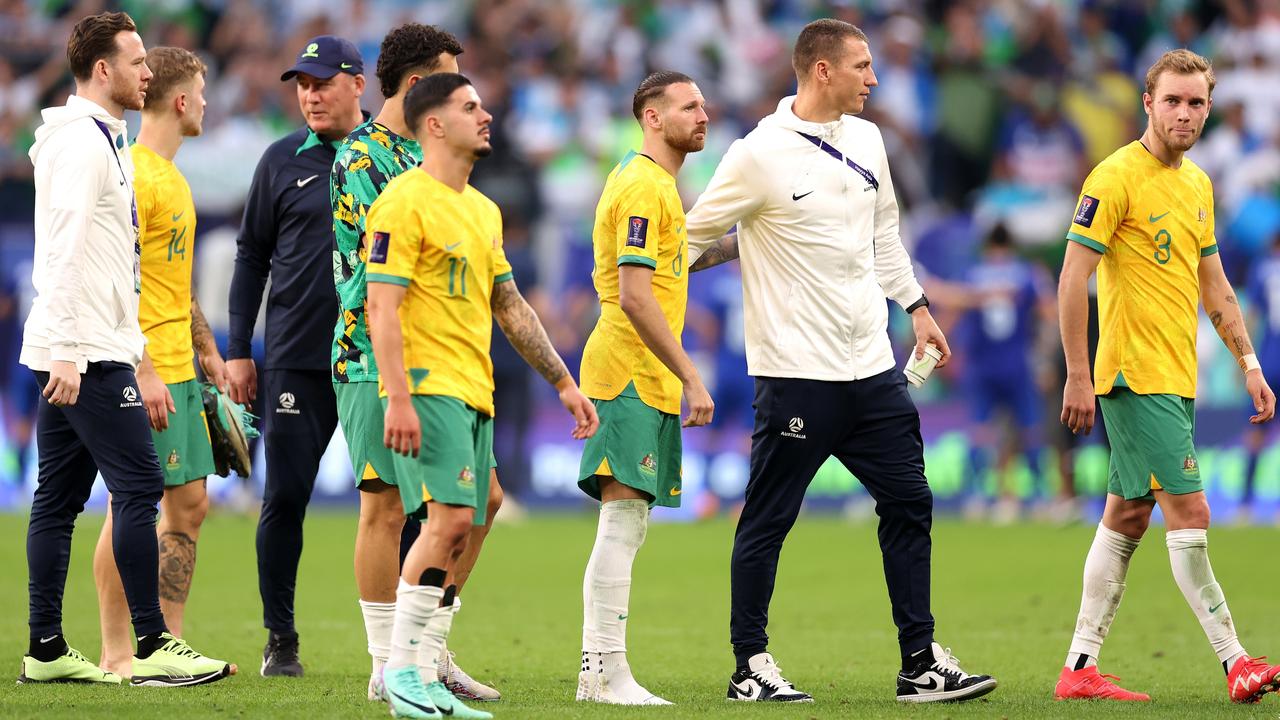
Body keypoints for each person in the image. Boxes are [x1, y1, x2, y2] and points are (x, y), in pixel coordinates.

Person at [685, 18, 996, 704]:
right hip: (796, 374)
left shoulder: (870, 139)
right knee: (769, 519)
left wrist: (916, 309)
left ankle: (919, 662)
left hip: (873, 368)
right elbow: (688, 240)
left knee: (911, 502)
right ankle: (749, 666)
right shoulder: (757, 154)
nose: (874, 78)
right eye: (862, 66)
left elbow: (885, 235)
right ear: (822, 70)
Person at [364, 71, 598, 720]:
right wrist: (399, 396)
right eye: (470, 107)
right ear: (434, 123)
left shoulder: (481, 208)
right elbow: (382, 308)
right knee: (449, 521)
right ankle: (405, 674)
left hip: (475, 388)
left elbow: (509, 305)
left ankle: (427, 660)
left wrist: (563, 381)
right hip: (429, 384)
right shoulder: (403, 202)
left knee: (486, 504)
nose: (486, 115)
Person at [1055, 49, 1280, 704]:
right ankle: (1236, 661)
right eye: (1173, 100)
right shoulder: (1115, 175)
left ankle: (1079, 669)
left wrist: (1248, 363)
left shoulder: (1198, 185)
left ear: (1209, 109)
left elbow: (1215, 283)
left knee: (1127, 516)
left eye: (1196, 103)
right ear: (1147, 104)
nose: (1184, 113)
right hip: (1133, 373)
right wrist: (1077, 372)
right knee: (1192, 510)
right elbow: (1073, 277)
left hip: (1176, 376)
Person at [19, 11, 229, 687]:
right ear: (103, 70)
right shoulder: (85, 146)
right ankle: (150, 644)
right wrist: (73, 353)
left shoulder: (96, 141)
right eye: (137, 62)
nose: (149, 72)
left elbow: (116, 266)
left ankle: (47, 649)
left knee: (57, 499)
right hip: (87, 350)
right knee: (139, 488)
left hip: (96, 343)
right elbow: (67, 251)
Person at [330, 23, 498, 703]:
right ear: (415, 87)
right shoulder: (368, 160)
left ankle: (425, 648)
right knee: (385, 507)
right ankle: (386, 663)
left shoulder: (440, 165)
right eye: (448, 78)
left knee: (481, 501)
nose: (463, 93)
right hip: (375, 357)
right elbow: (388, 284)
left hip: (444, 360)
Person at [227, 34, 367, 676]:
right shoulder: (281, 160)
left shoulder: (394, 161)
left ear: (357, 85)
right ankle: (280, 639)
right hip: (295, 359)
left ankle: (408, 649)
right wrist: (238, 350)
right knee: (283, 497)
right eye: (301, 85)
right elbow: (251, 254)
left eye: (322, 82)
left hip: (372, 359)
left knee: (400, 504)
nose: (309, 95)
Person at [90, 44, 230, 678]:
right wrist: (141, 365)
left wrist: (206, 348)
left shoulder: (173, 178)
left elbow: (171, 280)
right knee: (133, 503)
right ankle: (120, 652)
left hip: (178, 362)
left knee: (190, 502)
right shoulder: (134, 174)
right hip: (140, 361)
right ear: (180, 101)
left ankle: (169, 644)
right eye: (200, 92)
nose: (205, 102)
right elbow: (118, 279)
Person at [574, 71, 711, 706]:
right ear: (653, 118)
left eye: (704, 105)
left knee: (629, 522)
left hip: (643, 374)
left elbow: (670, 263)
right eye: (688, 106)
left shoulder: (660, 187)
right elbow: (633, 293)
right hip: (627, 370)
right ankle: (603, 672)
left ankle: (600, 672)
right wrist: (691, 373)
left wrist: (747, 243)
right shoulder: (639, 185)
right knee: (622, 520)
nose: (702, 115)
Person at [953, 225, 1055, 522]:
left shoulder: (973, 275)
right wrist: (1045, 358)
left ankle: (976, 497)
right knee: (1030, 430)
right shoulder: (1026, 274)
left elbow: (953, 307)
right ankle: (1040, 497)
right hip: (1017, 365)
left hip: (982, 366)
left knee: (981, 432)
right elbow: (1049, 313)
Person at [1242, 231, 1280, 521]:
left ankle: (1245, 503)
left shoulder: (1264, 267)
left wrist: (1242, 363)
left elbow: (1252, 316)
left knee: (1256, 431)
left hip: (1269, 358)